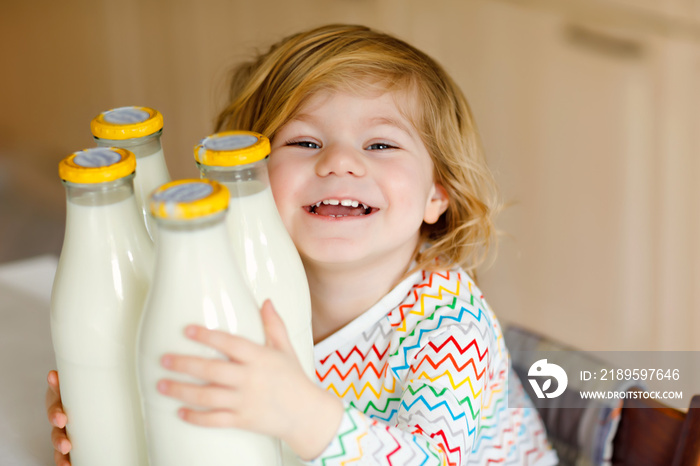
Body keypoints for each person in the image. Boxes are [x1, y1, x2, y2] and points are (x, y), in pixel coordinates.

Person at [46, 24, 557, 465]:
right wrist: (120, 417)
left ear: (437, 195)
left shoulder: (448, 327)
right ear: (247, 175)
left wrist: (299, 412)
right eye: (304, 142)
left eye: (380, 144)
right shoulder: (237, 282)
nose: (339, 161)